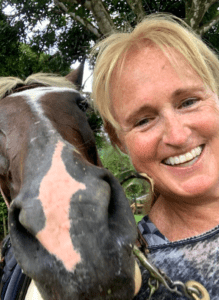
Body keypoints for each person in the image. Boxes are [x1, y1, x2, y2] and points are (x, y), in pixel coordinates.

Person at [91, 14, 219, 299]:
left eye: (188, 102)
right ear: (118, 140)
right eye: (144, 120)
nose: (177, 136)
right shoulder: (124, 278)